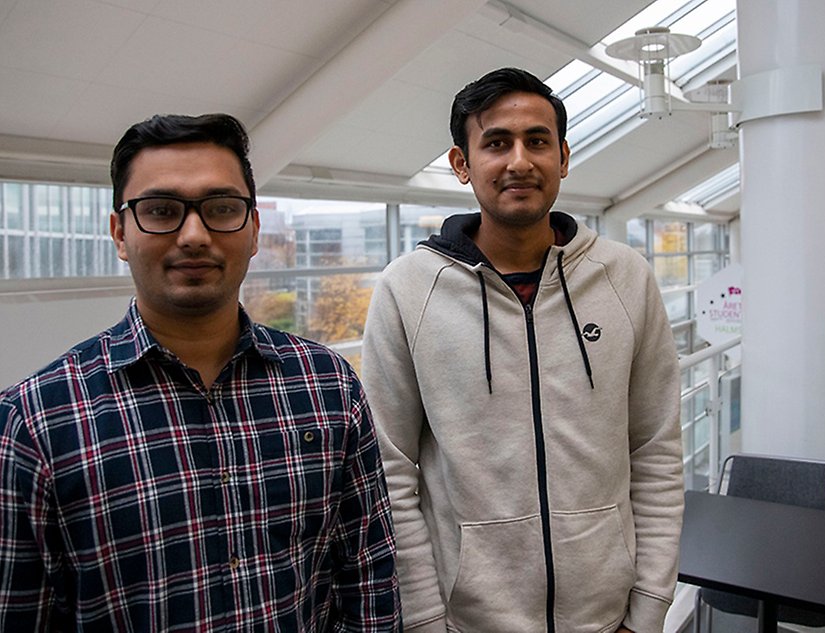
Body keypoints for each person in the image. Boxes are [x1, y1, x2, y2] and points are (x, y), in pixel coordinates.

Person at [0, 113, 401, 631]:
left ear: (253, 230)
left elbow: (368, 579)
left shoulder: (327, 385)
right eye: (162, 210)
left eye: (222, 209)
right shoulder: (33, 423)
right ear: (120, 233)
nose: (194, 235)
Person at [361, 67, 684, 633]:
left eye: (537, 141)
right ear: (462, 164)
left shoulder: (624, 278)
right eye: (495, 143)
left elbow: (655, 451)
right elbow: (391, 471)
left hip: (608, 617)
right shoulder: (408, 289)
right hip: (468, 620)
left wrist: (649, 606)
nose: (519, 161)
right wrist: (425, 619)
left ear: (562, 155)